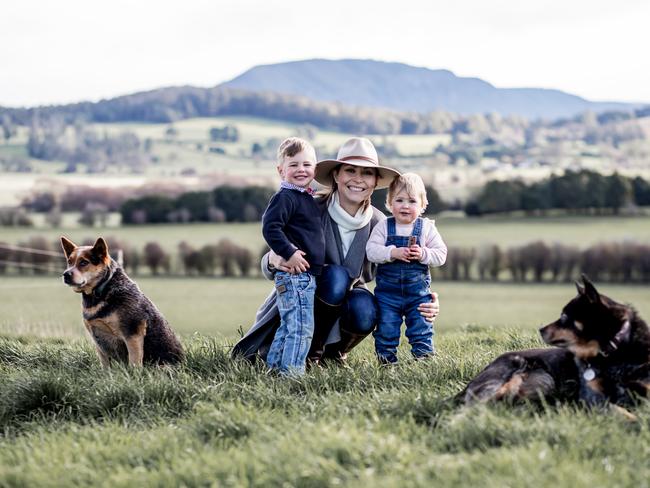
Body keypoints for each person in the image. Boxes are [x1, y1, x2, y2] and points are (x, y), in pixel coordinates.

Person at [232, 137, 440, 366]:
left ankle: (333, 354)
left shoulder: (380, 224)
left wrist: (425, 298)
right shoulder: (310, 207)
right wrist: (273, 259)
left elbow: (403, 268)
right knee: (335, 276)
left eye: (367, 173)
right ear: (336, 175)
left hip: (347, 305)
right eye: (350, 170)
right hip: (303, 299)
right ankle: (306, 353)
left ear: (375, 181)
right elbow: (272, 256)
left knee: (364, 307)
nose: (358, 179)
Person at [366, 173, 447, 364]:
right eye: (399, 200)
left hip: (417, 293)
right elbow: (371, 251)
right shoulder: (384, 226)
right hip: (387, 295)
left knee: (421, 328)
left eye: (411, 201)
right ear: (389, 203)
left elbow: (441, 255)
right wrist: (392, 253)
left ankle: (424, 360)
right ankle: (386, 363)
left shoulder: (426, 228)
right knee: (386, 329)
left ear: (422, 205)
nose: (405, 205)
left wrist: (423, 254)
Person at [261, 137, 324, 375]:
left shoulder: (304, 197)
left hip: (305, 276)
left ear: (315, 169)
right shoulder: (285, 197)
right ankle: (292, 376)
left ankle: (275, 369)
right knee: (301, 328)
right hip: (296, 274)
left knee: (289, 327)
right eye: (294, 165)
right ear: (281, 170)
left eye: (307, 165)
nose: (301, 170)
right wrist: (289, 252)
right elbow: (270, 228)